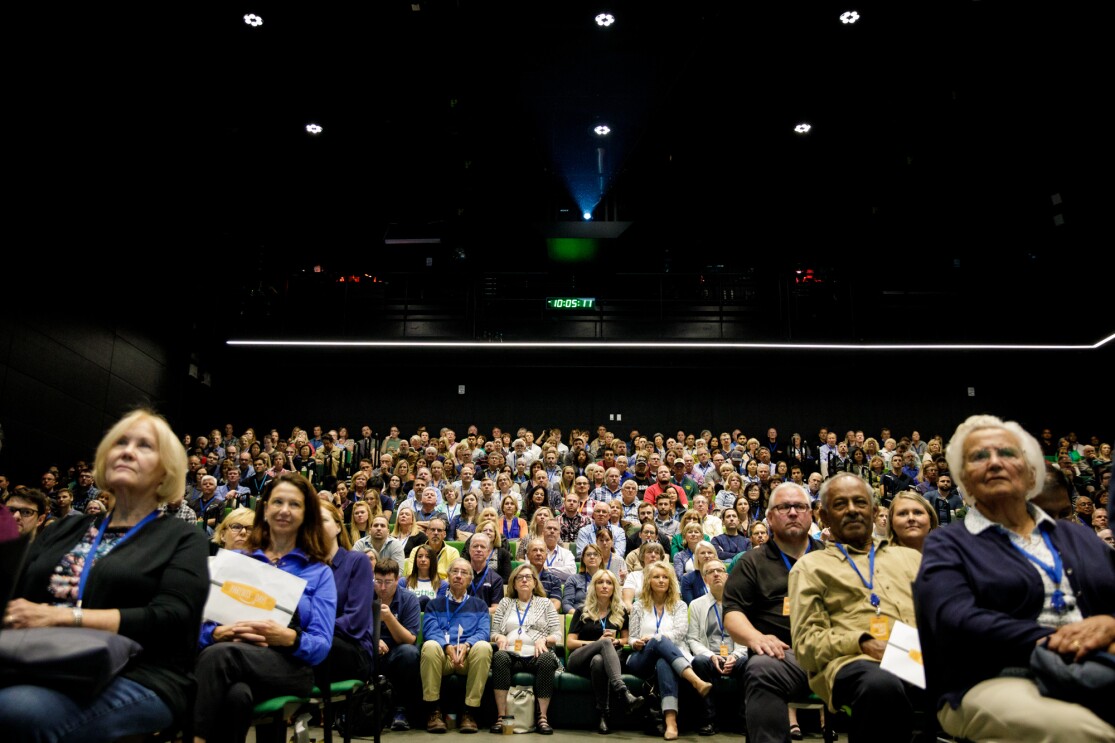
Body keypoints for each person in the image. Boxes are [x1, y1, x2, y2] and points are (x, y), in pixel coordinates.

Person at [0, 410, 209, 743]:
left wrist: (66, 616)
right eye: (120, 443)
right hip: (39, 658)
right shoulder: (68, 527)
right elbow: (16, 594)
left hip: (141, 674)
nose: (126, 450)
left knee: (14, 711)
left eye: (144, 446)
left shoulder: (183, 536)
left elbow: (173, 616)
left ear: (165, 470)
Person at [915, 415, 1115, 742]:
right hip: (991, 676)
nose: (994, 463)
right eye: (979, 456)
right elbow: (953, 618)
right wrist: (1051, 639)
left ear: (1030, 470)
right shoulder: (949, 542)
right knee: (1082, 732)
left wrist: (1109, 624)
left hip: (1094, 661)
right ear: (963, 478)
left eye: (1007, 453)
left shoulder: (1077, 536)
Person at [191, 473, 337, 743]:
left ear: (306, 514)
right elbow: (197, 628)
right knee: (236, 695)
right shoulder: (236, 561)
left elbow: (321, 645)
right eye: (277, 502)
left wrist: (289, 637)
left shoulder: (318, 572)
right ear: (265, 508)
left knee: (220, 657)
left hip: (288, 667)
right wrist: (216, 634)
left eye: (294, 504)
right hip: (229, 660)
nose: (284, 510)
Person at [789, 473, 922, 743]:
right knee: (882, 685)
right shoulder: (810, 566)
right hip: (853, 663)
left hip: (916, 657)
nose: (851, 510)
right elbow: (806, 645)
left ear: (874, 512)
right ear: (824, 517)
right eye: (840, 504)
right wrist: (861, 642)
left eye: (860, 503)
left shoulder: (910, 558)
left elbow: (941, 617)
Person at [723, 481, 825, 743]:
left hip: (831, 655)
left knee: (882, 675)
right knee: (761, 669)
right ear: (769, 517)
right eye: (784, 507)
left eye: (800, 506)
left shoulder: (830, 558)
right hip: (782, 658)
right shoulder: (751, 562)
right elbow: (733, 613)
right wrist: (756, 638)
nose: (793, 512)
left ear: (811, 514)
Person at [627, 562, 713, 740]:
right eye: (656, 577)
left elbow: (680, 633)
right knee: (659, 640)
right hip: (642, 657)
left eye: (665, 577)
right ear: (648, 581)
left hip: (670, 656)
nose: (661, 580)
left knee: (663, 661)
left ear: (671, 581)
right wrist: (637, 643)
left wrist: (656, 638)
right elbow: (632, 636)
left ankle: (671, 722)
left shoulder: (680, 605)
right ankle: (695, 680)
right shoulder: (638, 605)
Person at [419, 558, 493, 733]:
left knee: (484, 646)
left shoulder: (479, 605)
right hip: (442, 658)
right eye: (455, 571)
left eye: (464, 573)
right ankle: (434, 711)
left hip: (468, 659)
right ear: (448, 576)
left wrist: (467, 645)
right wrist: (447, 647)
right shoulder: (434, 604)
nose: (459, 576)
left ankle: (470, 712)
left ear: (470, 579)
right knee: (429, 645)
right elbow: (430, 630)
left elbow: (483, 632)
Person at [566, 569, 644, 734]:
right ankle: (623, 692)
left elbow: (625, 639)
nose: (604, 586)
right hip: (579, 660)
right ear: (594, 586)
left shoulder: (620, 611)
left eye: (609, 583)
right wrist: (597, 643)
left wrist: (617, 641)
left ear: (614, 588)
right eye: (600, 582)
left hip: (606, 662)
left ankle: (603, 714)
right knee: (604, 645)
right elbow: (570, 643)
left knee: (599, 660)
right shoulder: (582, 611)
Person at [489, 563, 563, 735]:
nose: (523, 580)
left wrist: (545, 640)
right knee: (499, 657)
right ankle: (502, 717)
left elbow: (557, 634)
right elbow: (494, 632)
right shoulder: (506, 603)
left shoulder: (545, 603)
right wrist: (498, 637)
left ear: (535, 583)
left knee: (546, 659)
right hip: (511, 653)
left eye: (528, 577)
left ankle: (542, 717)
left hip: (536, 654)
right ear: (513, 583)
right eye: (519, 578)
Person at [318, 500, 376, 686]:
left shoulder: (357, 561)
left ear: (337, 526)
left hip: (353, 649)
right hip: (317, 644)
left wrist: (310, 631)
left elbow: (355, 622)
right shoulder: (308, 568)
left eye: (322, 520)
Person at [687, 559, 747, 736]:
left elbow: (745, 636)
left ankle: (744, 720)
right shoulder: (696, 605)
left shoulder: (740, 603)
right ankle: (709, 719)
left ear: (727, 576)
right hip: (710, 656)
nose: (715, 574)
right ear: (705, 579)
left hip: (735, 655)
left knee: (750, 662)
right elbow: (692, 639)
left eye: (719, 570)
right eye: (710, 572)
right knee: (698, 661)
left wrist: (734, 656)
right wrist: (710, 655)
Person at [373, 558, 422, 731]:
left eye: (388, 582)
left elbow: (410, 639)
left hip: (396, 652)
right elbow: (354, 630)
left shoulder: (409, 599)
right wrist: (373, 640)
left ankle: (400, 710)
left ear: (397, 580)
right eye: (378, 582)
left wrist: (389, 618)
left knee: (409, 653)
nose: (383, 587)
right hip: (369, 650)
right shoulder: (363, 596)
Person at [460, 531, 505, 609]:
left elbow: (496, 609)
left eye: (483, 547)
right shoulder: (460, 575)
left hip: (484, 619)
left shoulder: (496, 579)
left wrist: (476, 612)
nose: (479, 550)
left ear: (488, 552)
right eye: (475, 546)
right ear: (469, 550)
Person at [399, 543, 446, 610]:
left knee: (424, 599)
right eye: (420, 556)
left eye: (427, 557)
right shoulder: (404, 581)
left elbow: (438, 609)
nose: (423, 560)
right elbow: (401, 606)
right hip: (409, 617)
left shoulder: (442, 585)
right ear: (415, 560)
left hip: (431, 617)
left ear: (432, 560)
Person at [562, 542, 604, 614]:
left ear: (601, 559)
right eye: (588, 554)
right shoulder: (573, 579)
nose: (592, 557)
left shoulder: (607, 580)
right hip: (580, 619)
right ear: (583, 559)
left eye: (595, 554)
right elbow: (566, 604)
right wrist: (579, 616)